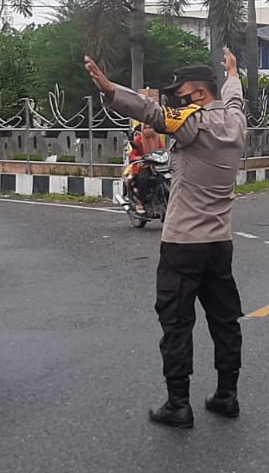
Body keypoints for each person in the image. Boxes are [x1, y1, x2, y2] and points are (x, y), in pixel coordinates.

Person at [84, 49, 247, 429]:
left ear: (201, 93)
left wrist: (111, 90)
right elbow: (235, 97)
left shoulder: (193, 124)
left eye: (182, 91)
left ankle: (178, 403)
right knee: (225, 321)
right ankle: (227, 395)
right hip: (219, 242)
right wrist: (234, 73)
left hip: (183, 244)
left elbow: (154, 114)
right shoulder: (236, 121)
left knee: (176, 322)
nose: (177, 97)